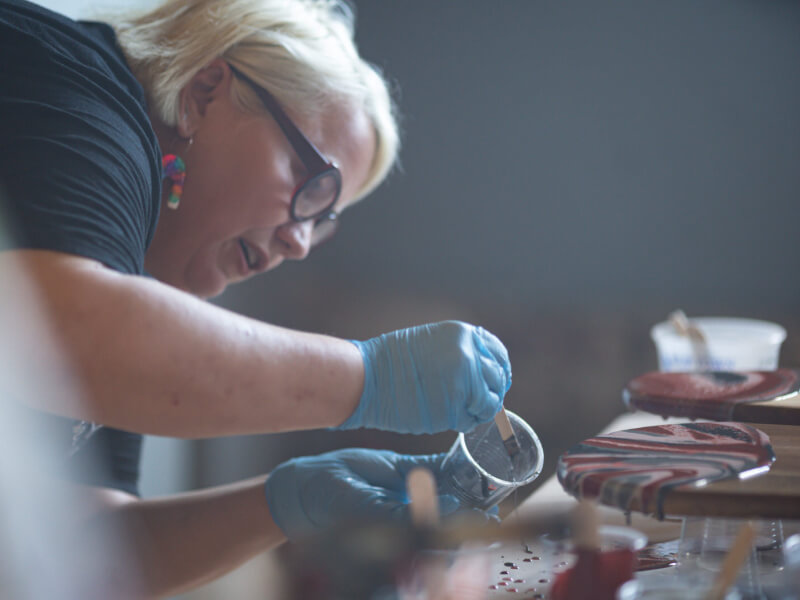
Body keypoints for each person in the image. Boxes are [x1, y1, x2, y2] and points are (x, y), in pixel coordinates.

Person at [0, 0, 512, 597]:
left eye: (323, 222)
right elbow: (61, 336)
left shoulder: (132, 284)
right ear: (204, 93)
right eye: (310, 181)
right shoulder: (80, 89)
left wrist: (283, 505)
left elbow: (90, 548)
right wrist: (369, 377)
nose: (299, 243)